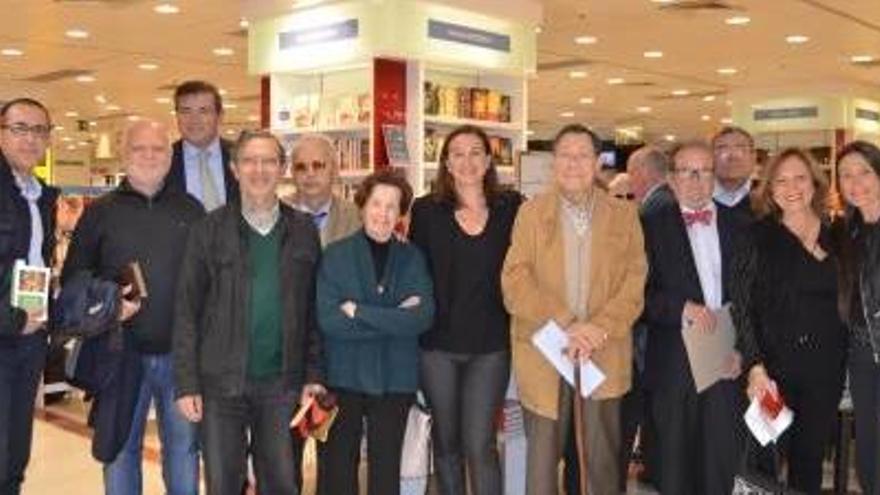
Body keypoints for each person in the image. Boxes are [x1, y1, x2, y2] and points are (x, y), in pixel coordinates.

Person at [173, 129, 324, 495]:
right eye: (249, 161)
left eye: (269, 161)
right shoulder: (207, 230)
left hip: (282, 384)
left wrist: (313, 374)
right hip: (220, 383)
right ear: (234, 169)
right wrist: (187, 382)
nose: (259, 170)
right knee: (224, 482)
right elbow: (187, 310)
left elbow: (314, 312)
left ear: (282, 168)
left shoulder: (303, 230)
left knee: (283, 482)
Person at [501, 123, 647, 495]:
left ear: (598, 162)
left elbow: (634, 282)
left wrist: (598, 327)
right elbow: (514, 282)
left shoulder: (624, 215)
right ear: (553, 162)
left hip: (603, 350)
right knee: (541, 463)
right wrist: (567, 322)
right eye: (565, 155)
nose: (573, 163)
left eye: (583, 155)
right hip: (546, 350)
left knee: (600, 460)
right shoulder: (530, 214)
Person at [61, 119, 204, 495]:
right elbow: (73, 277)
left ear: (170, 156)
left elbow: (209, 281)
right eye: (139, 148)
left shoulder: (191, 210)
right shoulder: (100, 212)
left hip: (180, 357)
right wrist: (107, 299)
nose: (149, 156)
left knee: (184, 451)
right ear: (124, 155)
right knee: (120, 450)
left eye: (158, 148)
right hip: (118, 353)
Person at [409, 124, 522, 495]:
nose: (467, 161)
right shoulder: (426, 210)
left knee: (480, 445)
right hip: (437, 345)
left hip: (491, 345)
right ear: (446, 162)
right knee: (446, 444)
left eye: (476, 152)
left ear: (489, 160)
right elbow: (415, 271)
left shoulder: (511, 207)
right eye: (457, 153)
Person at [734, 148, 846, 494]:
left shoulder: (839, 234)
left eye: (800, 178)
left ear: (815, 183)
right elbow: (742, 306)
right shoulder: (757, 237)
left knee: (809, 461)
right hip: (773, 373)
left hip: (825, 369)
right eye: (780, 180)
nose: (791, 187)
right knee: (765, 460)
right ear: (769, 189)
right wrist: (754, 367)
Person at [641, 140, 750, 495]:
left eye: (704, 171)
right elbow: (637, 296)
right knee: (674, 467)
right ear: (671, 179)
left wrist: (743, 352)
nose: (696, 179)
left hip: (726, 362)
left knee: (721, 462)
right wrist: (682, 308)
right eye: (687, 171)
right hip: (673, 363)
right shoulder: (648, 225)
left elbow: (751, 299)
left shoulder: (741, 225)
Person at [316, 170, 434, 495]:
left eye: (392, 207)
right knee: (338, 471)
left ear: (401, 213)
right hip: (343, 377)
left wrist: (360, 311)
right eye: (376, 204)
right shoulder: (335, 256)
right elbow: (329, 321)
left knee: (386, 474)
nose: (383, 214)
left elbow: (422, 317)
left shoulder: (412, 257)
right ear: (362, 206)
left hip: (395, 378)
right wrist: (395, 317)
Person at [0, 97, 59, 494]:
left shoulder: (42, 196)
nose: (30, 139)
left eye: (39, 130)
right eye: (19, 128)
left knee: (15, 452)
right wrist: (13, 319)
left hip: (29, 340)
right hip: (6, 332)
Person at [618, 145, 672, 490]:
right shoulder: (665, 206)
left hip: (648, 336)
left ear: (642, 173)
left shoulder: (652, 212)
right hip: (656, 333)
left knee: (635, 414)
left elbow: (645, 278)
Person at [836, 141, 880, 495]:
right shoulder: (843, 233)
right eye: (846, 175)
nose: (856, 182)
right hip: (863, 356)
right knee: (869, 447)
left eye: (865, 171)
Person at [168, 80, 239, 210]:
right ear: (176, 115)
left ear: (220, 116)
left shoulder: (241, 155)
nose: (194, 119)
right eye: (185, 111)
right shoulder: (163, 161)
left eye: (204, 111)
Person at [286, 133, 361, 246]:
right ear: (292, 174)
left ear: (335, 171)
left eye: (318, 165)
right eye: (301, 167)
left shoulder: (355, 217)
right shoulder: (275, 215)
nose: (310, 174)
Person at [712, 126, 756, 217]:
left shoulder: (771, 198)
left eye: (740, 149)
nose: (732, 156)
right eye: (722, 149)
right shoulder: (688, 199)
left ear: (753, 157)